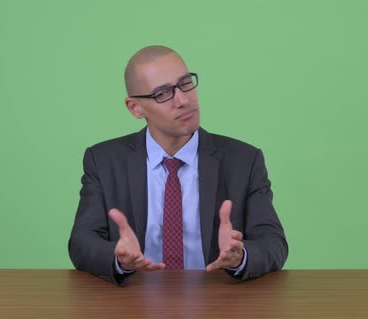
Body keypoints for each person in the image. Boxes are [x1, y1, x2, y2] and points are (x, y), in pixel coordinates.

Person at [68, 45, 288, 285]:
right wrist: (118, 259)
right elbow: (82, 241)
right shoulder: (103, 160)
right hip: (132, 306)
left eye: (185, 83)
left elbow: (273, 243)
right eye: (162, 93)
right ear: (135, 107)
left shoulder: (244, 160)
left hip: (217, 305)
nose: (183, 100)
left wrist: (240, 256)